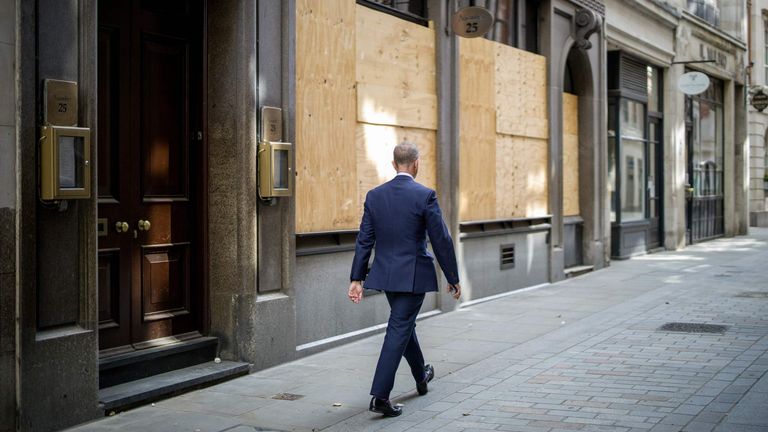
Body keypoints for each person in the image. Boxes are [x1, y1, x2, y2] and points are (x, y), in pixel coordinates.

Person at [348, 141, 461, 417]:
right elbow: (441, 239)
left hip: (386, 276)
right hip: (413, 278)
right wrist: (452, 276)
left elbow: (365, 240)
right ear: (416, 163)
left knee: (403, 324)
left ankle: (421, 375)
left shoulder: (375, 195)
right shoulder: (425, 195)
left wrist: (356, 278)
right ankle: (380, 396)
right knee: (398, 327)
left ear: (393, 164)